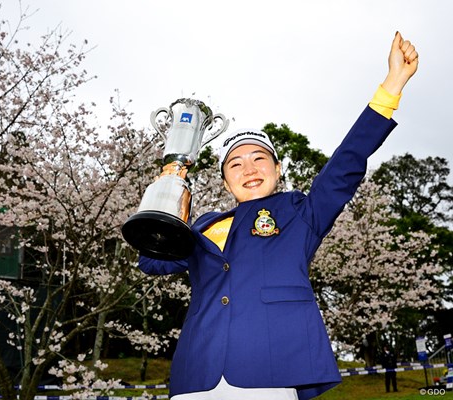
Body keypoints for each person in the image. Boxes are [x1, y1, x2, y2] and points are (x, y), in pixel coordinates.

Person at [137, 31, 418, 400]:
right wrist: (168, 198)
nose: (249, 169)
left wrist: (391, 85)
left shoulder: (300, 212)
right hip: (196, 375)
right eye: (235, 164)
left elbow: (345, 164)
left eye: (259, 159)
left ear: (278, 168)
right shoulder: (203, 224)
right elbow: (151, 261)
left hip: (269, 371)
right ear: (225, 181)